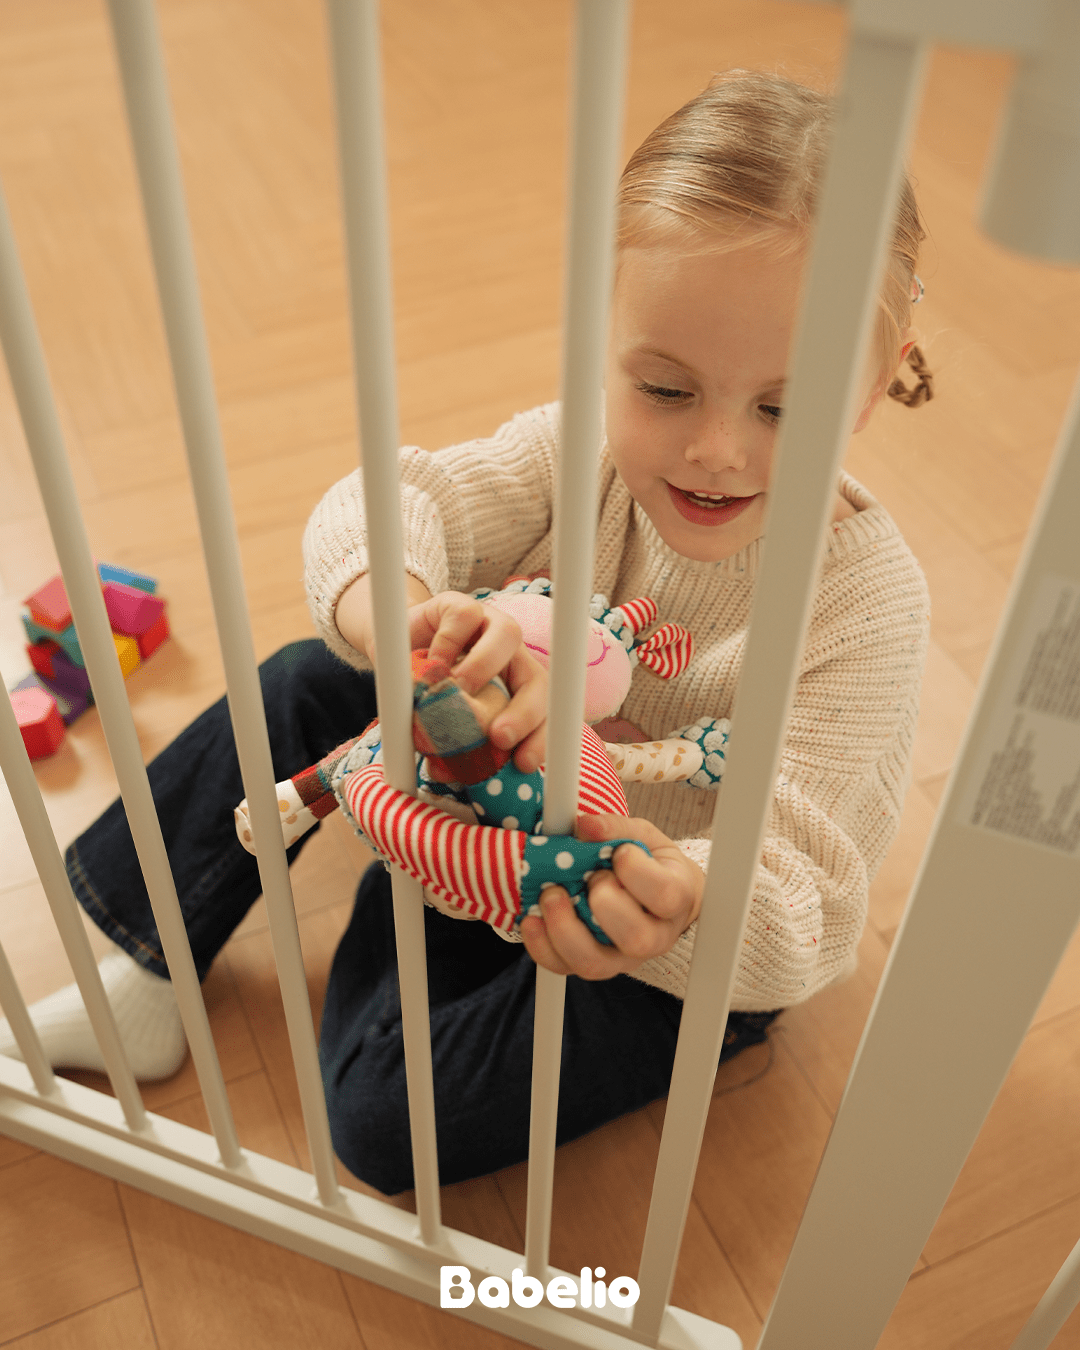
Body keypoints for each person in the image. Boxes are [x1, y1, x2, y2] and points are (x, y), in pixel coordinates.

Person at [0, 69, 932, 1194]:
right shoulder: (578, 452)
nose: (716, 452)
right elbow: (396, 504)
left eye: (785, 406)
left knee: (384, 1123)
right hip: (494, 791)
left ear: (878, 383)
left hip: (656, 932)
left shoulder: (866, 606)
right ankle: (143, 973)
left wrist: (670, 899)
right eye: (665, 389)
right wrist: (403, 617)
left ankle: (409, 861)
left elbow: (811, 900)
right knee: (310, 678)